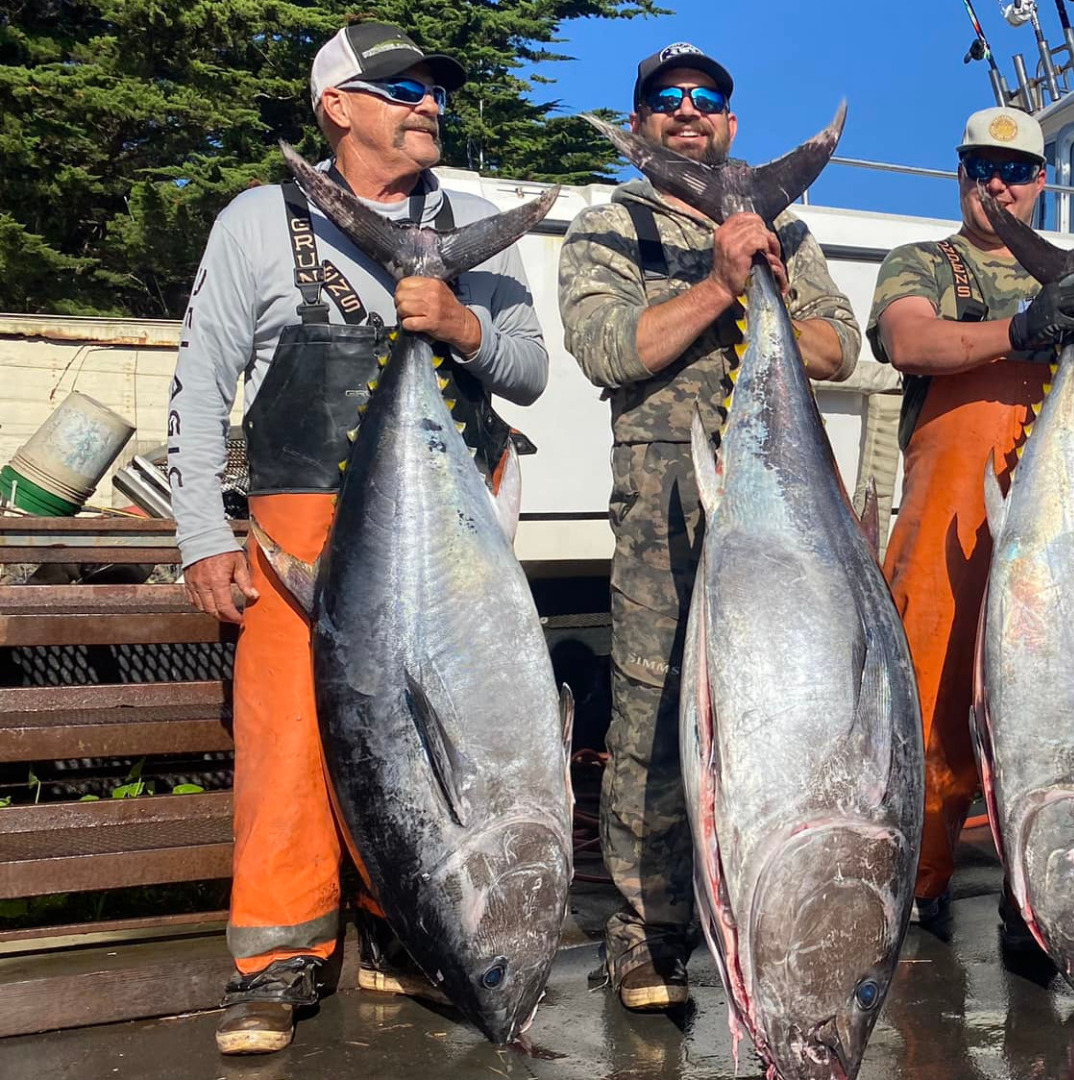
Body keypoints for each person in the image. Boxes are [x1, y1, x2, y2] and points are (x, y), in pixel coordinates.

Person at [167, 22, 549, 1054]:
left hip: (447, 535)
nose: (428, 102)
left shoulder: (473, 227)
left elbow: (529, 371)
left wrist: (463, 327)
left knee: (436, 743)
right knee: (290, 741)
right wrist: (203, 532)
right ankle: (276, 963)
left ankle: (404, 938)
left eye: (432, 89)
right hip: (299, 526)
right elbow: (203, 382)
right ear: (336, 105)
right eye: (402, 89)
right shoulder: (258, 220)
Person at [557, 42, 861, 1011]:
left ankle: (769, 912)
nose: (688, 112)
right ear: (641, 120)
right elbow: (609, 348)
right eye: (666, 100)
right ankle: (647, 936)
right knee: (651, 717)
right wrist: (722, 286)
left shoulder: (788, 230)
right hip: (665, 514)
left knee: (783, 711)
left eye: (707, 101)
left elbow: (837, 350)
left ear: (730, 124)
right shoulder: (610, 226)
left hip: (781, 509)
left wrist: (764, 275)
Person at [867, 106, 1074, 948]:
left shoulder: (1072, 274)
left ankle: (1037, 884)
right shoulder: (923, 262)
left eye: (1016, 171)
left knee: (1060, 703)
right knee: (927, 702)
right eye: (980, 168)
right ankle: (913, 880)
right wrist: (1025, 328)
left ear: (1041, 181)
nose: (998, 184)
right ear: (960, 176)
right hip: (948, 521)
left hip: (1055, 525)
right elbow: (910, 341)